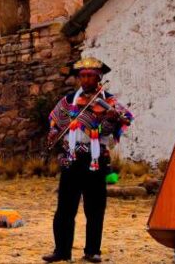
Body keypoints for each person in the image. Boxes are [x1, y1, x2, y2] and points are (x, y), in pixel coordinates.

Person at [42, 57, 133, 263]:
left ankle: (92, 251)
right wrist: (54, 132)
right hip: (71, 157)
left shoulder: (108, 101)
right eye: (82, 75)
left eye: (90, 75)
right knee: (65, 207)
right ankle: (61, 251)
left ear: (99, 77)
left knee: (94, 207)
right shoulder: (68, 100)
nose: (86, 79)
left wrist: (111, 119)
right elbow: (55, 121)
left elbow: (115, 127)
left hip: (95, 158)